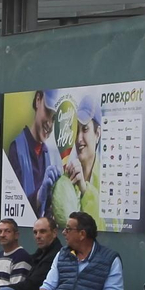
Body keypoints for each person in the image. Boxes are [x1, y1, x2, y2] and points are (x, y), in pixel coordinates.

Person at [49, 92, 106, 231]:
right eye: (76, 130)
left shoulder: (109, 179)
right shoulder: (67, 176)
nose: (79, 138)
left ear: (97, 134)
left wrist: (85, 189)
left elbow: (105, 228)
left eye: (85, 129)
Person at [6, 89, 59, 219]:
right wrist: (39, 196)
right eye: (47, 111)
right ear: (38, 100)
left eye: (54, 118)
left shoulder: (47, 155)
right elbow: (12, 205)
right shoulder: (16, 149)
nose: (50, 124)